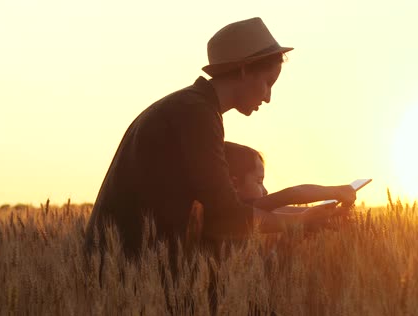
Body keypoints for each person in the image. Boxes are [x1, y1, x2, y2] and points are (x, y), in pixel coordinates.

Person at [83, 17, 357, 266]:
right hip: (127, 267)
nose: (268, 97)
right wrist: (299, 222)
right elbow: (227, 217)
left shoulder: (192, 107)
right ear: (243, 70)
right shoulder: (196, 114)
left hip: (126, 262)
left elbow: (224, 210)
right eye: (267, 83)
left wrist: (304, 214)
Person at [223, 141, 355, 215]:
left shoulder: (249, 212)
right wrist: (336, 192)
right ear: (234, 185)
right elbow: (291, 195)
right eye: (259, 181)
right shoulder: (232, 214)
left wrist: (332, 213)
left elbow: (284, 211)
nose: (265, 190)